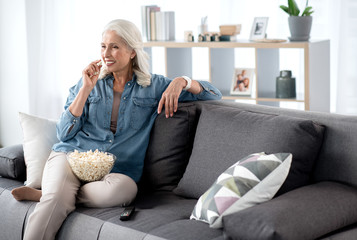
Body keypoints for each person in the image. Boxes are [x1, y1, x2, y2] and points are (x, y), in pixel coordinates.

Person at [11, 19, 222, 240]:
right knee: (55, 202)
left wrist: (181, 81)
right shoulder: (89, 83)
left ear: (132, 52)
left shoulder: (153, 86)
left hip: (115, 172)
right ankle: (55, 196)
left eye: (114, 46)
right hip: (71, 157)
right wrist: (85, 90)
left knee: (126, 191)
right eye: (103, 46)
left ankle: (53, 194)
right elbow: (64, 133)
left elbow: (213, 94)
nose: (106, 53)